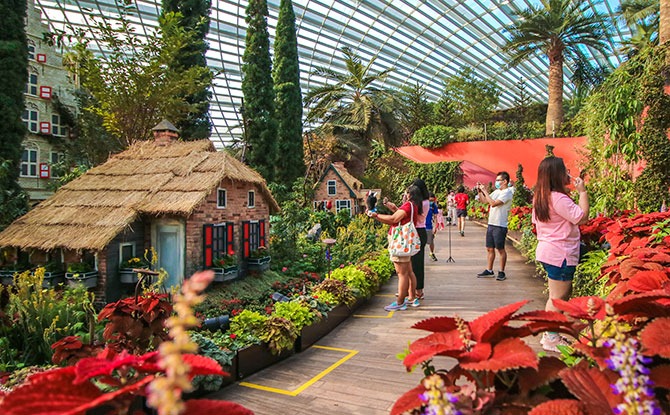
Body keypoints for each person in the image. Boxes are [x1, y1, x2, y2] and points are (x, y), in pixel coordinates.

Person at [532, 157, 589, 352]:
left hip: (549, 251)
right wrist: (582, 192)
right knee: (557, 298)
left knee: (556, 296)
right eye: (565, 170)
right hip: (561, 253)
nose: (568, 173)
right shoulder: (558, 198)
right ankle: (551, 337)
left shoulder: (541, 196)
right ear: (557, 174)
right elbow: (582, 217)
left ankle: (550, 334)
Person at [368, 185, 422, 310]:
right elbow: (401, 217)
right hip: (405, 243)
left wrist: (375, 216)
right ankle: (411, 297)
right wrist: (394, 208)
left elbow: (393, 219)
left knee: (401, 273)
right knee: (408, 272)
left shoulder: (408, 205)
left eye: (405, 193)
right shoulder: (413, 205)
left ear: (409, 194)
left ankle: (400, 302)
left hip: (400, 243)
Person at [475, 172, 514, 281]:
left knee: (500, 249)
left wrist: (485, 191)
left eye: (499, 180)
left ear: (505, 181)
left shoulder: (507, 193)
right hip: (491, 224)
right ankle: (489, 270)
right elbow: (484, 201)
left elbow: (493, 203)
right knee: (489, 248)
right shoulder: (497, 191)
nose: (497, 182)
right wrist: (480, 191)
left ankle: (501, 272)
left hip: (500, 225)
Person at [426, 193, 440, 261]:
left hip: (429, 226)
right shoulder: (422, 204)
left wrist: (435, 226)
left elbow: (435, 216)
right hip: (421, 226)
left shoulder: (433, 205)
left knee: (431, 241)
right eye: (430, 200)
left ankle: (431, 253)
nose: (431, 202)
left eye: (432, 200)